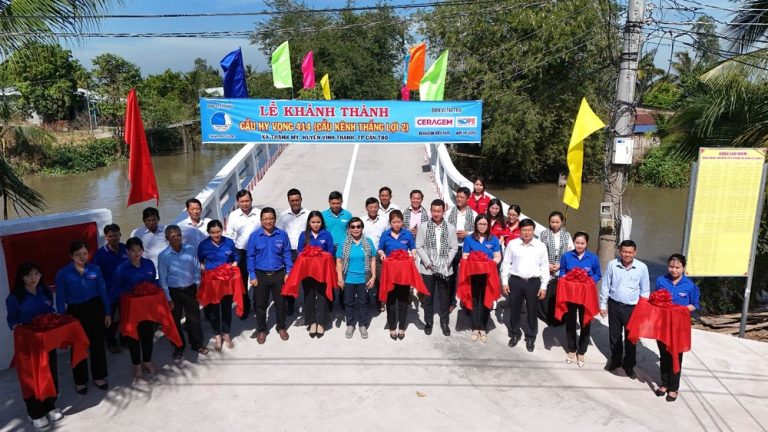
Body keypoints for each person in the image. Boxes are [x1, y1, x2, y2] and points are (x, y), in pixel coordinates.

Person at [6, 262, 63, 429]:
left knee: (50, 372)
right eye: (29, 275)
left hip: (46, 340)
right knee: (30, 377)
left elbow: (50, 311)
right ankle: (35, 412)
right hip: (27, 344)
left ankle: (50, 405)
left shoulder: (44, 290)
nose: (33, 278)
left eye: (36, 274)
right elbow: (12, 321)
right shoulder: (14, 297)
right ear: (21, 278)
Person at [55, 241, 111, 394]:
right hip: (76, 312)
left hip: (96, 309)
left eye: (84, 254)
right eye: (78, 254)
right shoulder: (63, 273)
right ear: (71, 256)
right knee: (78, 346)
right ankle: (80, 381)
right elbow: (60, 299)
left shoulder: (95, 269)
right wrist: (63, 320)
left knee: (97, 344)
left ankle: (99, 377)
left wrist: (107, 313)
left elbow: (103, 292)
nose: (82, 257)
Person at [600, 239, 650, 379]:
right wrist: (603, 305)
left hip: (632, 309)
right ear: (619, 251)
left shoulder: (642, 268)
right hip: (614, 305)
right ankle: (615, 362)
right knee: (614, 336)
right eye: (624, 251)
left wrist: (643, 310)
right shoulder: (612, 265)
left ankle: (629, 366)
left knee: (631, 339)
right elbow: (606, 285)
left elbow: (645, 290)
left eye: (630, 252)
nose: (626, 255)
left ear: (635, 252)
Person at [653, 254, 700, 402]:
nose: (674, 270)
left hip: (679, 327)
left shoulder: (690, 286)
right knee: (664, 355)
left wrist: (681, 309)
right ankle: (664, 384)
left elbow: (694, 305)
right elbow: (655, 298)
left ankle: (674, 388)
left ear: (683, 268)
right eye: (671, 267)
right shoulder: (661, 281)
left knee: (675, 356)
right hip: (662, 324)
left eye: (677, 267)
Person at [157, 225, 209, 360]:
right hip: (174, 292)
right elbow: (163, 278)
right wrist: (168, 298)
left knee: (194, 318)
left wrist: (198, 286)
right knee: (175, 320)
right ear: (167, 238)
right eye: (173, 236)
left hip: (190, 289)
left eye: (178, 235)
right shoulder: (163, 256)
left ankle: (196, 344)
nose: (177, 238)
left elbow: (196, 267)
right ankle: (178, 346)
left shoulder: (190, 249)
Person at [113, 237, 160, 379]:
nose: (136, 253)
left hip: (148, 308)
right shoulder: (122, 268)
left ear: (142, 250)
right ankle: (136, 365)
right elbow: (116, 288)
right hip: (131, 309)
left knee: (148, 335)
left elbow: (154, 283)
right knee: (133, 336)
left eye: (139, 249)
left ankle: (147, 361)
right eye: (132, 251)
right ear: (127, 252)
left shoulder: (148, 264)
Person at [500, 219, 549, 352]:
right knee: (514, 309)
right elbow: (506, 264)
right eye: (524, 230)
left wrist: (544, 285)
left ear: (533, 231)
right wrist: (504, 281)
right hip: (515, 281)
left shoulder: (540, 246)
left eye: (529, 230)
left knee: (532, 311)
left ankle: (531, 336)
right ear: (520, 231)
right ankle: (515, 333)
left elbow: (544, 267)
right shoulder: (512, 244)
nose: (527, 233)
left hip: (533, 282)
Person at [247, 207, 293, 344]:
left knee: (280, 303)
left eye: (271, 218)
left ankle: (281, 327)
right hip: (260, 275)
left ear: (275, 219)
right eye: (265, 219)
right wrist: (252, 275)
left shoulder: (282, 235)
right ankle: (262, 330)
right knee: (260, 304)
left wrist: (289, 272)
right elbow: (250, 256)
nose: (268, 221)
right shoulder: (254, 236)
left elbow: (287, 254)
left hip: (279, 274)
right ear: (261, 220)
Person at [558, 232, 601, 367]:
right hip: (570, 295)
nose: (579, 245)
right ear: (574, 242)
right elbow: (562, 272)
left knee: (585, 323)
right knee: (570, 322)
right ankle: (571, 349)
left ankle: (581, 351)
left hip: (585, 296)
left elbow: (597, 275)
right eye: (577, 243)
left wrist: (587, 280)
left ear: (586, 243)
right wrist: (565, 277)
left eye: (582, 243)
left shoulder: (592, 258)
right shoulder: (567, 256)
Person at [416, 199, 459, 337]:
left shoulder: (451, 228)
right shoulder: (423, 227)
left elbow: (454, 247)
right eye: (434, 211)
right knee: (428, 297)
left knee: (444, 297)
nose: (436, 214)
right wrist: (428, 262)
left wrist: (446, 262)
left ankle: (444, 322)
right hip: (428, 268)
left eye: (439, 211)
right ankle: (428, 322)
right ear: (430, 210)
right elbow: (419, 246)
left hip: (445, 268)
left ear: (443, 212)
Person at [198, 220, 238, 352]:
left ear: (222, 230)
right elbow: (200, 261)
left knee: (227, 308)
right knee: (214, 310)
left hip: (226, 282)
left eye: (218, 232)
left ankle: (226, 333)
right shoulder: (203, 245)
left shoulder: (229, 242)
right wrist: (204, 270)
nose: (216, 235)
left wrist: (234, 265)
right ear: (208, 233)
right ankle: (217, 336)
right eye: (213, 232)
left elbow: (235, 258)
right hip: (212, 283)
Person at [461, 215, 501, 342]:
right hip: (473, 275)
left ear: (488, 225)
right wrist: (475, 262)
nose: (482, 226)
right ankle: (474, 327)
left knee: (486, 301)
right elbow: (465, 256)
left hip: (488, 275)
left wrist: (489, 263)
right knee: (474, 301)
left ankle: (483, 327)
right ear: (476, 225)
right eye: (480, 224)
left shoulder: (493, 239)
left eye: (484, 224)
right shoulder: (469, 239)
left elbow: (497, 257)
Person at [378, 210, 416, 340]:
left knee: (403, 300)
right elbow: (380, 248)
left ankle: (402, 327)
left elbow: (413, 248)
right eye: (394, 222)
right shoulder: (385, 234)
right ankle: (392, 326)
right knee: (391, 300)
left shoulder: (407, 234)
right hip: (390, 273)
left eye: (399, 222)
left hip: (403, 273)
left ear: (402, 222)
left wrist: (414, 254)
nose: (396, 224)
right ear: (390, 223)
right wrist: (382, 254)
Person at [336, 217, 377, 339]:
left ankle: (362, 324)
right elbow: (338, 261)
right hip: (348, 279)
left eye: (358, 226)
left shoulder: (368, 242)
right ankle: (350, 324)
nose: (355, 229)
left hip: (363, 279)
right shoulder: (344, 243)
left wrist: (373, 276)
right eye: (352, 227)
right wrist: (339, 278)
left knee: (363, 302)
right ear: (349, 229)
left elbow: (373, 260)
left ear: (362, 228)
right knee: (348, 302)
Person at [296, 211, 334, 338]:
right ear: (308, 223)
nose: (316, 225)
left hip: (322, 272)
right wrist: (309, 253)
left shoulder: (327, 234)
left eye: (318, 222)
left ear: (321, 222)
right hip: (307, 272)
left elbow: (330, 251)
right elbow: (300, 251)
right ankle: (311, 322)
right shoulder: (304, 235)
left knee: (322, 295)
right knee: (309, 296)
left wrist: (320, 254)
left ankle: (321, 322)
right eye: (313, 222)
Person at [224, 189, 261, 320]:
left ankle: (258, 305)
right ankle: (245, 306)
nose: (245, 203)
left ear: (251, 200)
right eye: (242, 201)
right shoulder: (233, 216)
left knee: (258, 280)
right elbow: (229, 235)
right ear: (238, 202)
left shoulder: (259, 214)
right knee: (242, 282)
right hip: (240, 252)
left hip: (258, 253)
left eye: (247, 200)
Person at [92, 223, 128, 354]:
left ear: (120, 235)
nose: (114, 238)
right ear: (106, 237)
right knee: (109, 318)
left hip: (126, 290)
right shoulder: (100, 254)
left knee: (126, 316)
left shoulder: (126, 249)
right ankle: (111, 342)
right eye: (110, 236)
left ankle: (124, 339)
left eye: (116, 235)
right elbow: (96, 274)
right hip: (109, 292)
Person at [276, 188, 308, 318]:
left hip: (304, 252)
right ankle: (290, 303)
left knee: (306, 280)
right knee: (289, 279)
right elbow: (279, 234)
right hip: (288, 252)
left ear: (301, 199)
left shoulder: (308, 214)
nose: (295, 203)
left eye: (297, 200)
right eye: (292, 200)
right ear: (288, 201)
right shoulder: (283, 216)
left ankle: (307, 305)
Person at [538, 211, 574, 326]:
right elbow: (539, 251)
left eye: (557, 222)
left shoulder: (566, 235)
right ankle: (544, 315)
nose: (555, 224)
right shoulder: (543, 234)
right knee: (547, 292)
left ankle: (559, 317)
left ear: (562, 222)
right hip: (546, 265)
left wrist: (560, 264)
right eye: (552, 222)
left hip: (561, 267)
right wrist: (547, 264)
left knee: (559, 293)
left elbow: (570, 252)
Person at [446, 187, 476, 312]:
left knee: (467, 277)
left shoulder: (474, 214)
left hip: (466, 249)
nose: (459, 199)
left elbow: (479, 231)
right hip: (452, 247)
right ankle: (450, 301)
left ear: (468, 199)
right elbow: (443, 228)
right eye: (457, 196)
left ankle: (466, 301)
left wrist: (467, 234)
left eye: (462, 197)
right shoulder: (449, 212)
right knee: (450, 276)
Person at [362, 197, 388, 313]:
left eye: (375, 207)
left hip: (379, 254)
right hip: (365, 254)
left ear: (378, 207)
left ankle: (380, 301)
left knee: (380, 279)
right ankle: (365, 298)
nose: (373, 209)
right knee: (365, 278)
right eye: (370, 207)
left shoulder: (384, 221)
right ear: (366, 207)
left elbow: (388, 236)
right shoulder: (361, 221)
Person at [130, 207, 168, 271]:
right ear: (144, 220)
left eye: (154, 220)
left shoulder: (167, 229)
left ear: (158, 219)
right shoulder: (137, 233)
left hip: (168, 269)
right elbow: (132, 253)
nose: (151, 223)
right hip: (149, 271)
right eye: (149, 220)